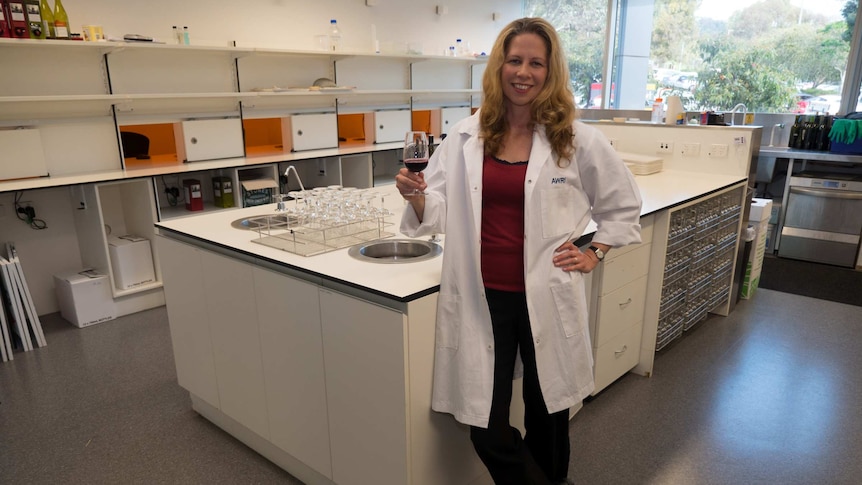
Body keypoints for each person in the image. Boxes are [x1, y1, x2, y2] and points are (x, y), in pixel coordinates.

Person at [395, 17, 643, 485]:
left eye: (536, 63)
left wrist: (596, 251)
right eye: (514, 60)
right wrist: (416, 195)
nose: (523, 72)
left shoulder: (576, 138)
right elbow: (440, 206)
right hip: (483, 294)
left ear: (551, 72)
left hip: (547, 293)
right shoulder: (468, 135)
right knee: (484, 424)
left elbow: (623, 205)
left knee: (547, 412)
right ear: (499, 66)